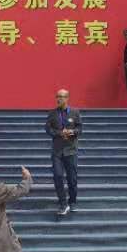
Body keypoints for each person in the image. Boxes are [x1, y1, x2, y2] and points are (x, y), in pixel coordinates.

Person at [45, 88, 82, 217]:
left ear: (67, 98)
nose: (59, 99)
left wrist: (73, 132)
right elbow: (48, 129)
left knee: (72, 179)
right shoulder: (52, 113)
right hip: (57, 151)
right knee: (58, 175)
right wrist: (59, 133)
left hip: (70, 151)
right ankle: (63, 203)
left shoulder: (75, 112)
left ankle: (72, 201)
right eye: (57, 96)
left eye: (61, 96)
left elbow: (80, 128)